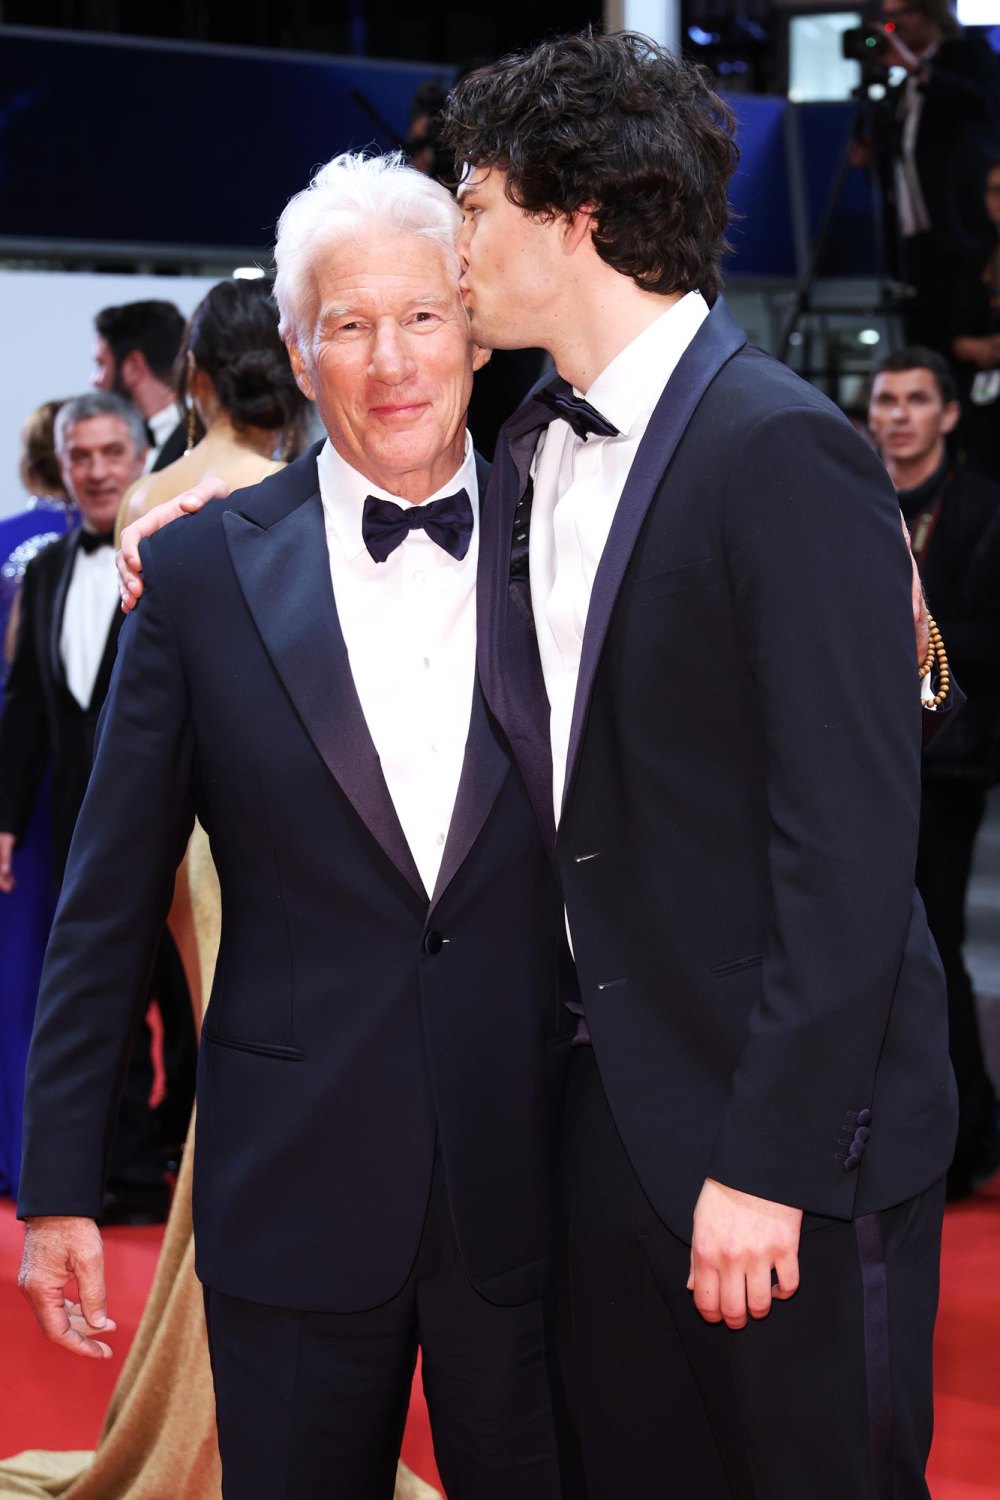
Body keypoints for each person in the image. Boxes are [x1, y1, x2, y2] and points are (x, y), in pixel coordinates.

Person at [436, 31, 956, 1499]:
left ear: (576, 211)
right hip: (600, 1106)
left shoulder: (780, 448)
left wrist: (775, 1162)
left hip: (780, 1125)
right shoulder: (529, 445)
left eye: (474, 204)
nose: (455, 241)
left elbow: (850, 848)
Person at [17, 152, 574, 1500]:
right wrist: (59, 1187)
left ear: (472, 325)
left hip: (544, 1167)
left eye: (422, 316)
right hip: (295, 1175)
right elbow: (106, 896)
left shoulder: (568, 533)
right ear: (295, 349)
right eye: (349, 323)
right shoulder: (202, 572)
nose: (392, 360)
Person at [0, 391, 191, 1227]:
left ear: (141, 457)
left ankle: (181, 1165)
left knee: (184, 1000)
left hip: (182, 828)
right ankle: (120, 1170)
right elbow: (30, 710)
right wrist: (6, 818)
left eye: (112, 452)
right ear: (62, 464)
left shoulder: (183, 554)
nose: (97, 470)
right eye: (81, 456)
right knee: (96, 994)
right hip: (81, 824)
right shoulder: (43, 570)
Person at [868, 345, 1000, 1200]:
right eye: (887, 399)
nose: (901, 414)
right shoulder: (846, 488)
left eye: (919, 399)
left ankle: (965, 1134)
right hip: (862, 753)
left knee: (930, 942)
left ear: (949, 414)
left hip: (951, 763)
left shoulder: (985, 509)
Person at [0, 400, 73, 1201]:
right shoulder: (83, 543)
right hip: (75, 766)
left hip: (16, 769)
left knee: (19, 972)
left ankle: (18, 1152)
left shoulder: (6, 540)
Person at [875, 0, 1000, 353]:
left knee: (962, 332)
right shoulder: (903, 84)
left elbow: (985, 101)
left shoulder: (967, 54)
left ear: (931, 12)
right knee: (925, 337)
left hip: (964, 228)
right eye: (888, 17)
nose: (894, 25)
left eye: (903, 13)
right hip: (915, 232)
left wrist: (916, 67)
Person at [950, 158, 1000, 481]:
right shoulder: (974, 257)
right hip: (982, 407)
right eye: (995, 190)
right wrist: (967, 347)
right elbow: (948, 328)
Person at [93, 301, 187, 471]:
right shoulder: (140, 438)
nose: (95, 380)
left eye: (101, 364)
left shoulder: (197, 442)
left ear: (133, 367)